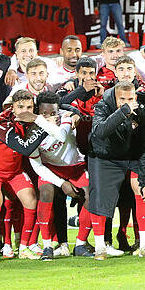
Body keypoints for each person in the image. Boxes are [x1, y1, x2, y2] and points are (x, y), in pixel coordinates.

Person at [0, 90, 56, 262]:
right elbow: (25, 148)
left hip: (14, 172)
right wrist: (43, 126)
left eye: (29, 107)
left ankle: (24, 248)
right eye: (20, 107)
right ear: (12, 108)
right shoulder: (2, 124)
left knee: (31, 200)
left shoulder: (28, 121)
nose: (25, 111)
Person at [89, 82, 145, 260]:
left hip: (131, 154)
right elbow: (100, 132)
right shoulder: (103, 107)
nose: (128, 102)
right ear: (114, 97)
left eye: (131, 98)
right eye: (122, 99)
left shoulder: (143, 111)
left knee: (142, 190)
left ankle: (144, 246)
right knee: (101, 197)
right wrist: (123, 112)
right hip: (104, 156)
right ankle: (100, 248)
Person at [26, 92, 90, 260]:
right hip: (51, 169)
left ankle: (81, 244)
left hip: (74, 167)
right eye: (44, 114)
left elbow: (60, 135)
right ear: (37, 111)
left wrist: (39, 119)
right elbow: (37, 165)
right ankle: (47, 246)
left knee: (90, 194)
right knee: (46, 192)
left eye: (54, 113)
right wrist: (61, 183)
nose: (51, 117)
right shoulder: (31, 133)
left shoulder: (67, 117)